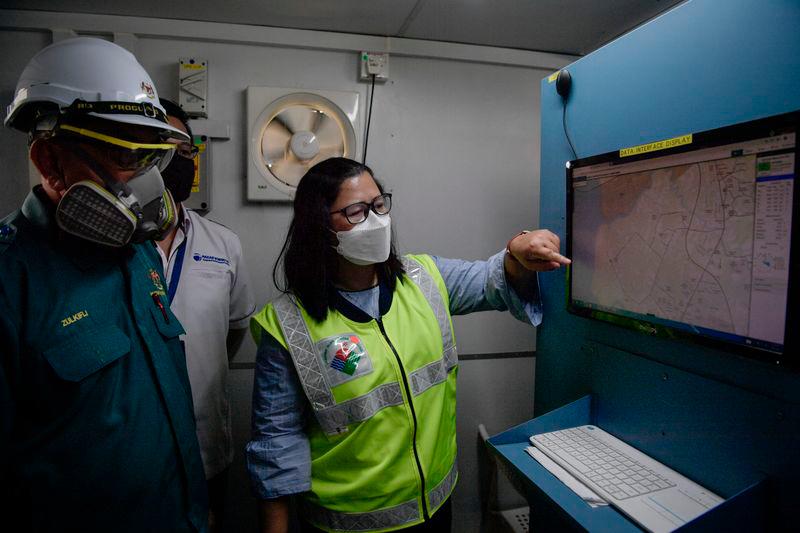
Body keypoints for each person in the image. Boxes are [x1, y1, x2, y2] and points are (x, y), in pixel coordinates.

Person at [245, 157, 570, 533]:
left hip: (434, 508)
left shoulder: (423, 279)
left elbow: (490, 281)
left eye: (379, 205)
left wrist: (518, 250)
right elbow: (276, 445)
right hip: (348, 524)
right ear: (319, 228)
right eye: (357, 211)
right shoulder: (287, 325)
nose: (376, 220)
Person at [0, 37, 208, 531]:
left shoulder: (139, 255)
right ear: (50, 162)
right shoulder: (12, 282)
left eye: (152, 159)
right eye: (125, 156)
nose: (146, 184)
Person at [156, 98, 256, 531]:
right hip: (131, 451)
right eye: (164, 147)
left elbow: (233, 331)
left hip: (206, 445)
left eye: (186, 150)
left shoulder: (223, 244)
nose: (181, 159)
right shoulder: (104, 247)